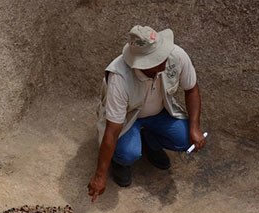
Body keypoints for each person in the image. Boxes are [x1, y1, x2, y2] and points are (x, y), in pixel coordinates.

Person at [88, 25, 206, 202]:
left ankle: (151, 141)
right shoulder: (119, 78)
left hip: (159, 114)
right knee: (128, 153)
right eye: (158, 58)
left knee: (186, 137)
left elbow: (192, 89)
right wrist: (100, 175)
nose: (164, 59)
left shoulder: (176, 55)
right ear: (144, 64)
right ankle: (119, 162)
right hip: (127, 121)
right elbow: (112, 130)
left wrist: (195, 127)